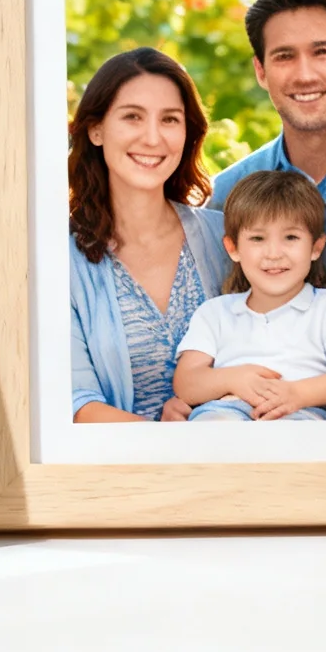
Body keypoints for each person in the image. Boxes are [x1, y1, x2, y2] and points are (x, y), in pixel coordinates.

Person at [69, 47, 231, 422]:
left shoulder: (225, 239)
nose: (153, 138)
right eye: (132, 117)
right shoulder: (61, 259)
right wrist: (171, 443)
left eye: (170, 120)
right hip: (124, 473)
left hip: (233, 458)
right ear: (96, 129)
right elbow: (78, 403)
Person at [207, 0, 326, 292]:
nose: (304, 74)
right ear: (261, 71)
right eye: (285, 56)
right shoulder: (223, 200)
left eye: (322, 52)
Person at [172, 171, 326, 421]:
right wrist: (234, 379)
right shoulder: (215, 312)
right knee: (212, 424)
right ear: (233, 248)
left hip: (301, 413)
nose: (274, 253)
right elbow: (186, 382)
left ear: (316, 247)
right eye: (257, 238)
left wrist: (296, 394)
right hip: (227, 409)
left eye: (291, 237)